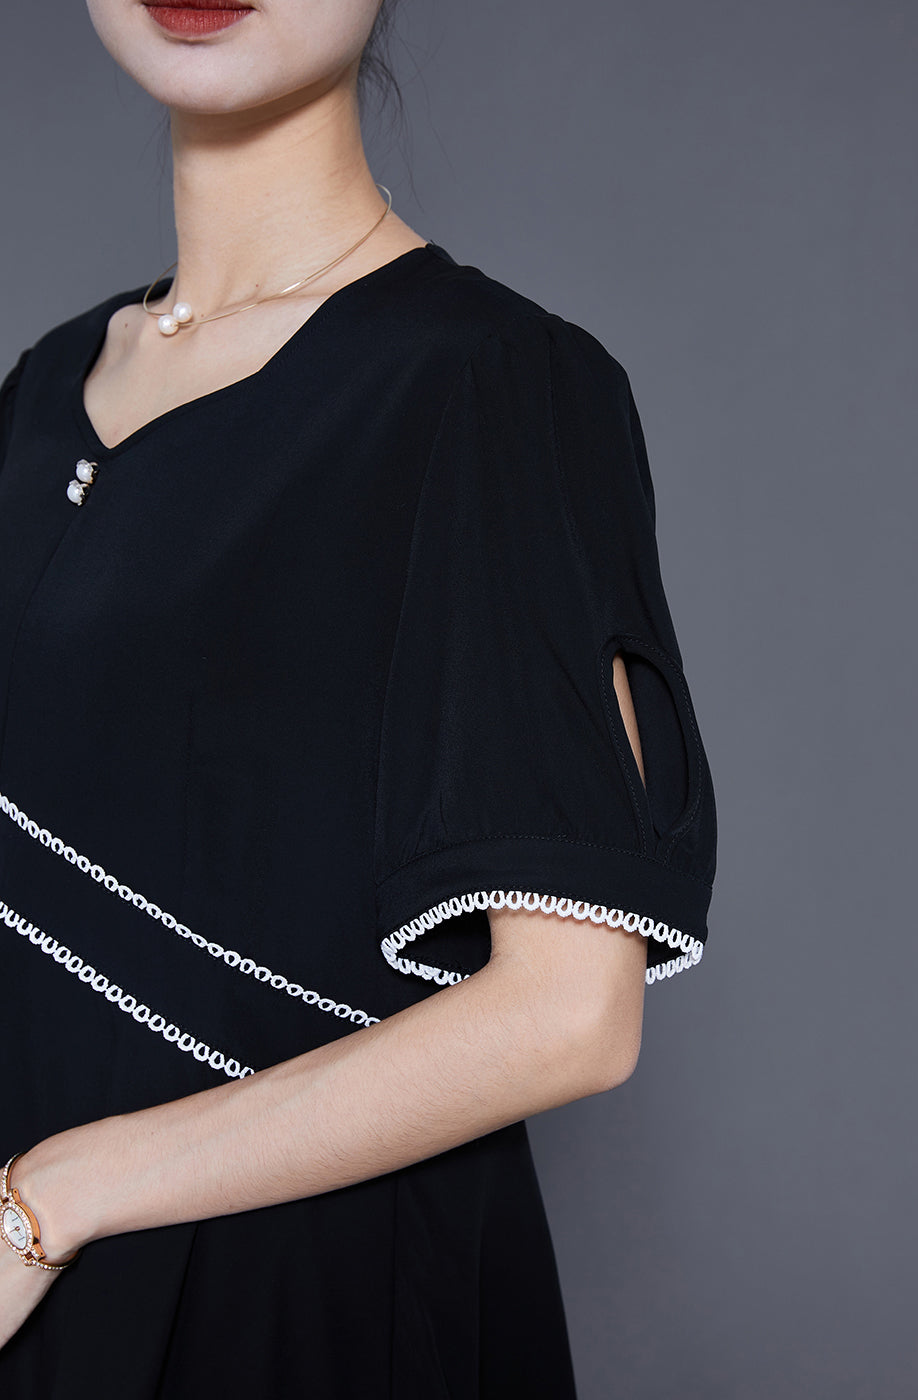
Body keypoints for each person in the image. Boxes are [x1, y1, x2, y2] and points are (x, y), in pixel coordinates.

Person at [0, 0, 717, 1394]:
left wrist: (53, 1199)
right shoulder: (38, 394)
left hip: (297, 1304)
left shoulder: (495, 383)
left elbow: (570, 1013)